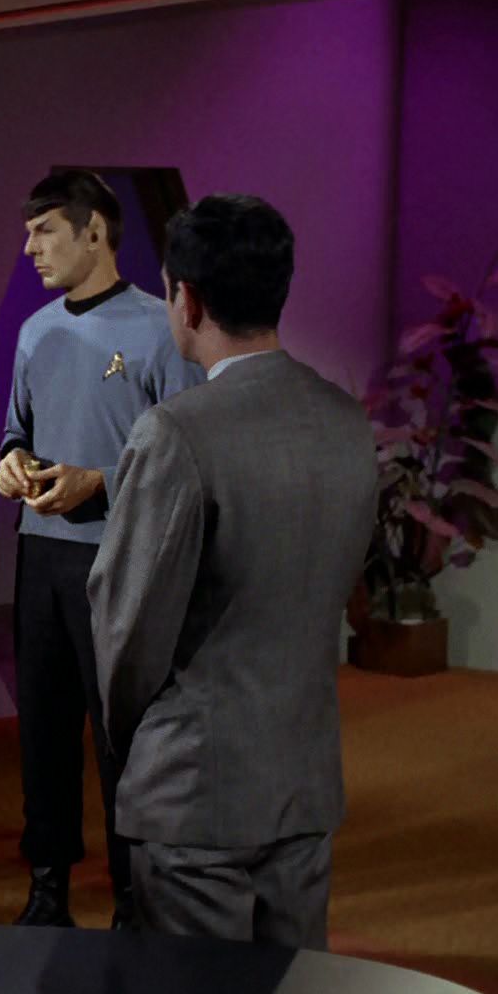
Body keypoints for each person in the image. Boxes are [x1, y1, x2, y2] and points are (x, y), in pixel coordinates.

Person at [88, 194, 377, 948]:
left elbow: (128, 629)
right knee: (294, 993)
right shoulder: (346, 420)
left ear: (186, 300)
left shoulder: (175, 433)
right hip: (302, 782)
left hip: (193, 792)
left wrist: (134, 745)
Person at [0, 170, 204, 928]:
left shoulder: (158, 329)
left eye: (44, 231)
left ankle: (131, 897)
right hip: (41, 558)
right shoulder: (35, 331)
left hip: (120, 562)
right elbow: (17, 430)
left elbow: (190, 460)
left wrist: (102, 482)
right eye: (28, 233)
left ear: (93, 232)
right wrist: (11, 462)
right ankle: (47, 885)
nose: (30, 249)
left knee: (124, 738)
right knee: (42, 730)